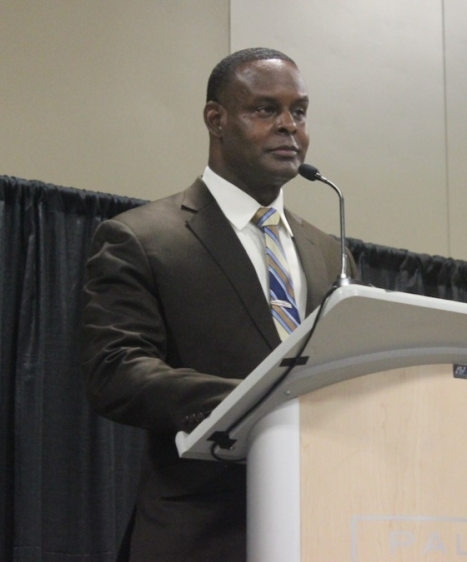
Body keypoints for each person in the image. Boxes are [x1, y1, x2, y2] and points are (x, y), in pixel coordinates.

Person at [81, 47, 353, 561]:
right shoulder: (141, 238)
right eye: (265, 109)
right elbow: (115, 371)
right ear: (216, 119)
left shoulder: (330, 252)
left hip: (324, 527)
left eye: (299, 111)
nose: (288, 127)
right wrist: (259, 402)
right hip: (202, 534)